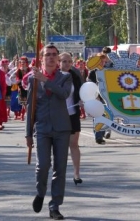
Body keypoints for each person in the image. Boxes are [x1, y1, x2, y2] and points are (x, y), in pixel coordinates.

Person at [25, 44, 72, 220]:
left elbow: (64, 94)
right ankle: (40, 192)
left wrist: (46, 81)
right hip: (42, 127)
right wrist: (28, 133)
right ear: (42, 58)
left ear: (58, 58)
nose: (51, 58)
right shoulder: (32, 79)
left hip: (62, 128)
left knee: (60, 168)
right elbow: (31, 106)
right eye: (47, 55)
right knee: (43, 165)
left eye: (54, 55)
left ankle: (55, 206)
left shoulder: (65, 77)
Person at [59, 52, 84, 185]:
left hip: (73, 113)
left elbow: (82, 89)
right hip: (58, 115)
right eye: (64, 61)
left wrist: (81, 99)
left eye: (69, 61)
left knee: (73, 144)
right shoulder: (54, 75)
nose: (67, 64)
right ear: (59, 62)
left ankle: (76, 174)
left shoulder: (75, 75)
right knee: (59, 146)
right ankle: (59, 173)